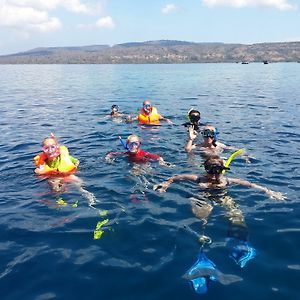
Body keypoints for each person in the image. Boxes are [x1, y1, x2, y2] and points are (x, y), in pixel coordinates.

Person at [153, 155, 285, 200]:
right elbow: (176, 177)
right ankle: (202, 234)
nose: (215, 175)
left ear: (223, 170)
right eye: (211, 171)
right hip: (201, 197)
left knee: (234, 213)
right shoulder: (199, 179)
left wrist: (268, 191)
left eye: (218, 171)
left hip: (223, 196)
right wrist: (166, 184)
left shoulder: (227, 180)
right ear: (206, 170)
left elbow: (250, 184)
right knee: (202, 213)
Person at [105, 134, 171, 166]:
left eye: (136, 144)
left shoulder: (143, 154)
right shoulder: (127, 153)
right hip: (134, 165)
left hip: (144, 165)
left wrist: (162, 163)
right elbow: (112, 154)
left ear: (139, 144)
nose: (133, 146)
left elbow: (158, 157)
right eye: (131, 144)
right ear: (127, 144)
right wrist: (108, 158)